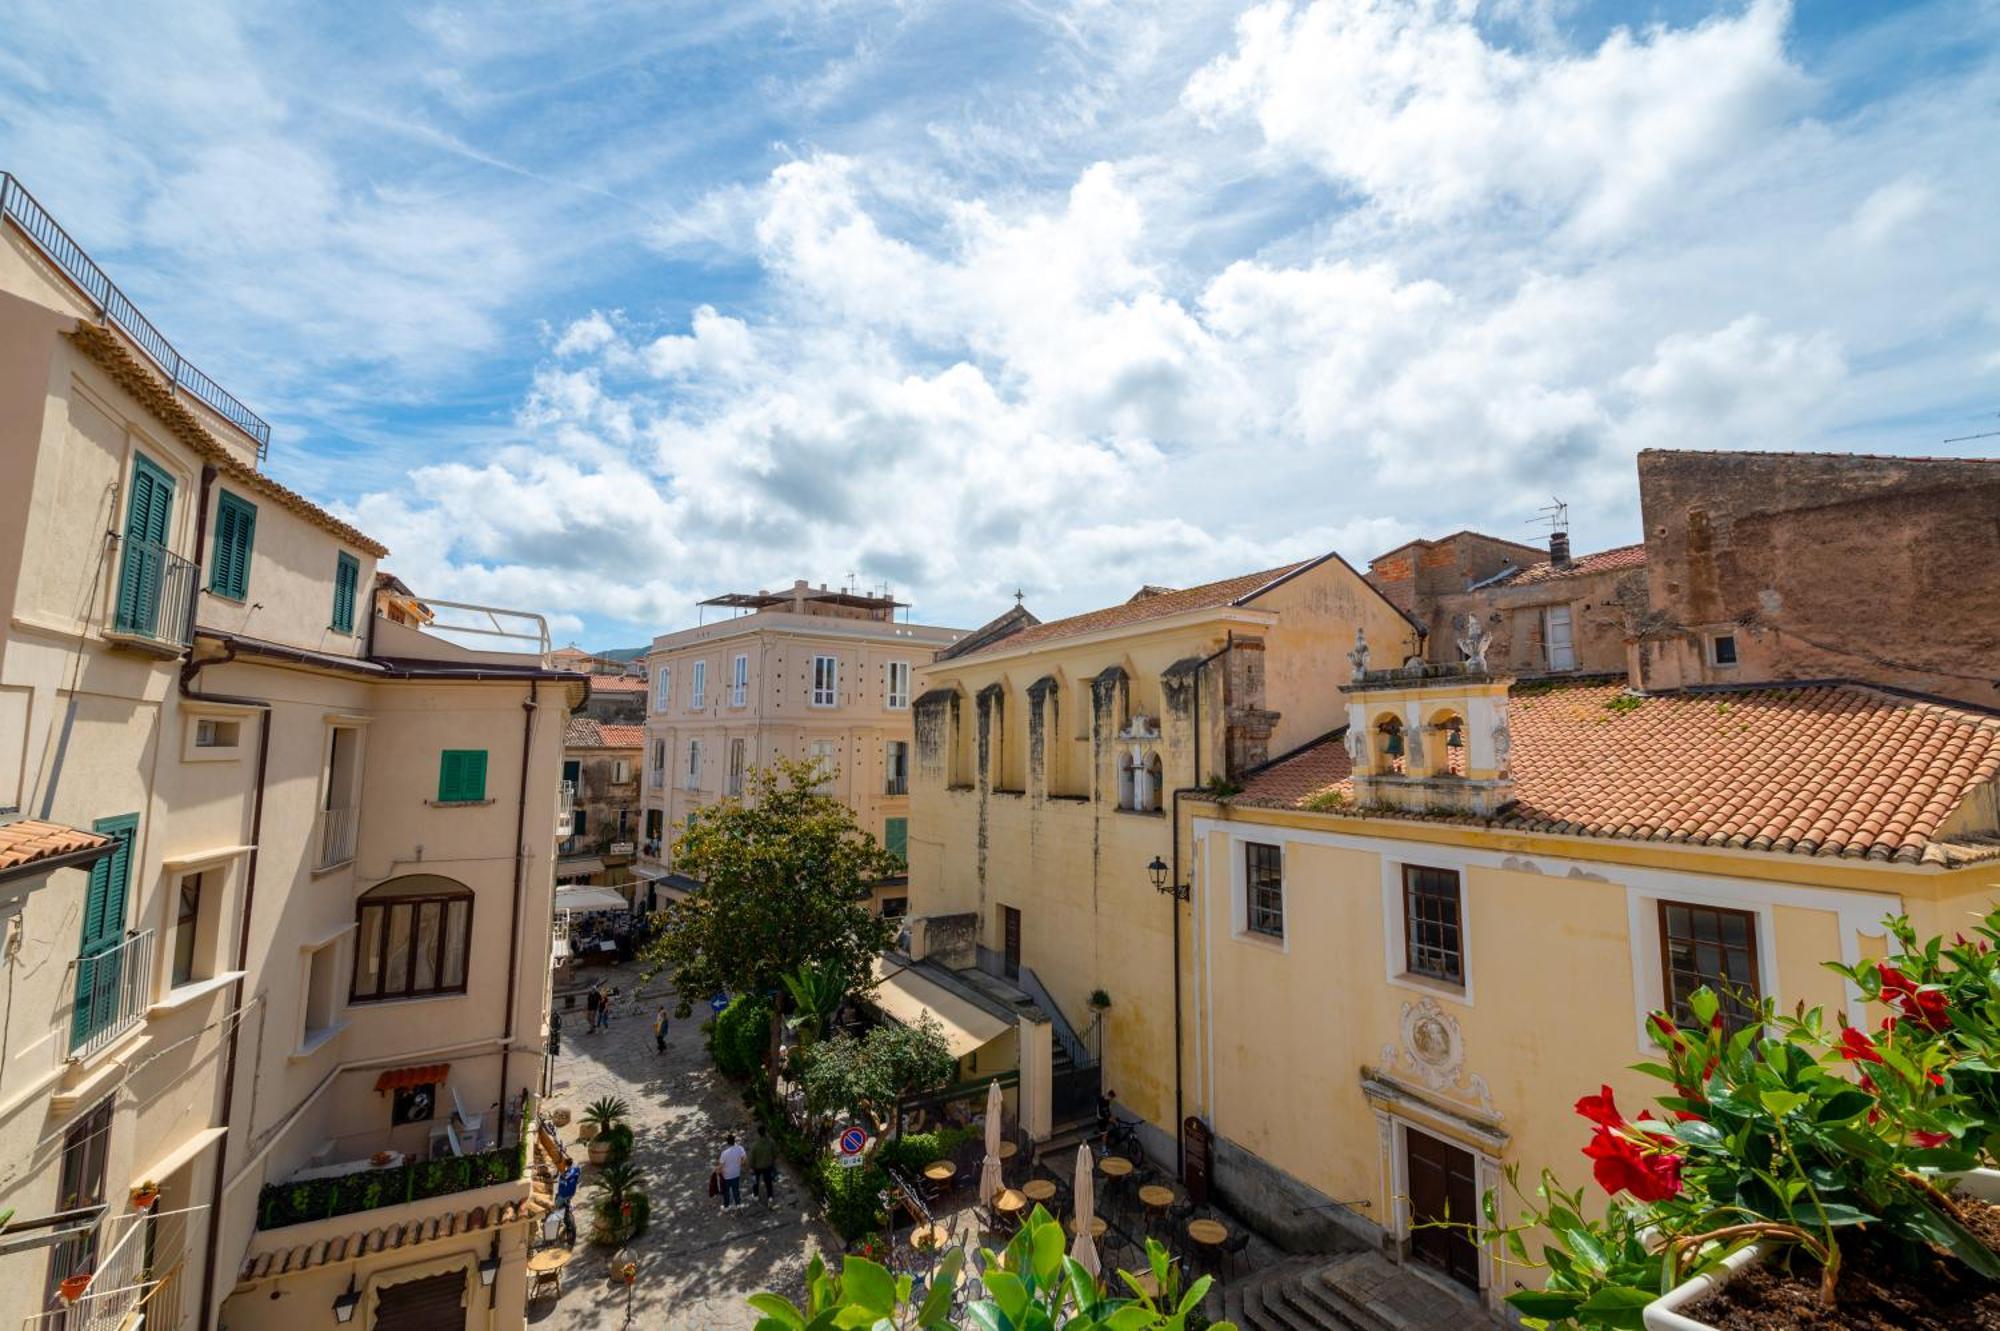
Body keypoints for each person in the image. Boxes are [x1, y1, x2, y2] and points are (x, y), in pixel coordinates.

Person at [748, 1127, 778, 1204]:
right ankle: (770, 1197)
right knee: (768, 1182)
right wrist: (772, 1161)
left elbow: (752, 1157)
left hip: (757, 1167)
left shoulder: (755, 1145)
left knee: (755, 1181)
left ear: (758, 1133)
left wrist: (751, 1166)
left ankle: (756, 1195)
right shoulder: (771, 1142)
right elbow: (775, 1153)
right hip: (768, 1166)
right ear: (765, 1132)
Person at [718, 1134, 747, 1208]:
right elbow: (744, 1158)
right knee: (736, 1190)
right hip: (736, 1173)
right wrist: (740, 1164)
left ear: (727, 1142)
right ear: (734, 1141)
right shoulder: (740, 1148)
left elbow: (721, 1165)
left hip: (727, 1175)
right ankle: (738, 1205)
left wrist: (718, 1171)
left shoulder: (724, 1153)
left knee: (726, 1191)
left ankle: (726, 1206)